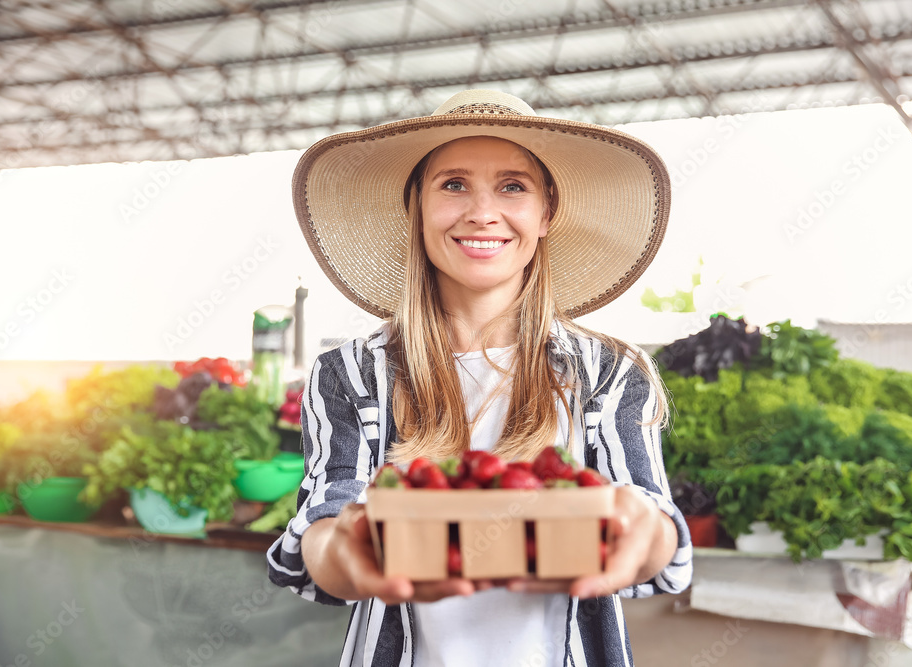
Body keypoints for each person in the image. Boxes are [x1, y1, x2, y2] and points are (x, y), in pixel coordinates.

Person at [267, 89, 692, 666]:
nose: (481, 213)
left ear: (546, 214)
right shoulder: (349, 375)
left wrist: (646, 532)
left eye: (513, 187)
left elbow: (648, 514)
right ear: (416, 206)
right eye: (453, 184)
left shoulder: (610, 372)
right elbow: (326, 515)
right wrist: (341, 548)